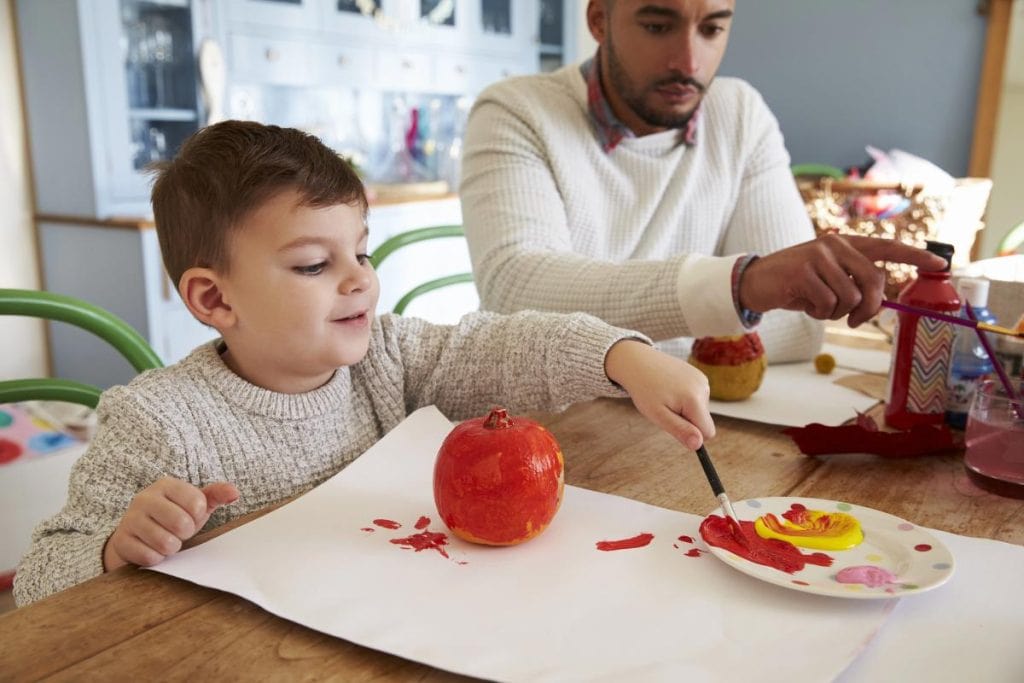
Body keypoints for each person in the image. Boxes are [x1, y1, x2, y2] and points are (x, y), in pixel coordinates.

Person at [14, 121, 716, 606]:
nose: (358, 280)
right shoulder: (159, 422)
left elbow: (499, 346)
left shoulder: (385, 357)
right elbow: (41, 577)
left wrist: (619, 355)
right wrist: (114, 548)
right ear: (213, 297)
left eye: (363, 251)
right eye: (316, 263)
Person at [459, 0, 946, 362]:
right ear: (599, 20)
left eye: (712, 28)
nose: (689, 64)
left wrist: (592, 345)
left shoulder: (739, 114)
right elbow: (516, 301)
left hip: (688, 431)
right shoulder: (515, 112)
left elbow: (797, 329)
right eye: (656, 25)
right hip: (547, 437)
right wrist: (740, 291)